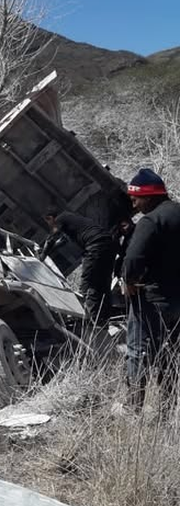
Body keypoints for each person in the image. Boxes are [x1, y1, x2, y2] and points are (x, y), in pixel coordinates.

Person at [122, 168, 180, 409]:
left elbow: (133, 258)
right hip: (177, 300)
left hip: (152, 300)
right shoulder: (177, 212)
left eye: (136, 198)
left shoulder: (151, 220)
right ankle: (167, 408)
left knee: (138, 351)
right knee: (171, 354)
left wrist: (128, 280)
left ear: (149, 196)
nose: (134, 204)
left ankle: (133, 408)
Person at [40, 208, 116, 323]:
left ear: (50, 218)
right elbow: (61, 242)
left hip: (95, 245)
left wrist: (42, 256)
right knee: (103, 282)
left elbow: (52, 237)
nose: (49, 225)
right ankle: (103, 318)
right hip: (108, 244)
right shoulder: (70, 220)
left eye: (48, 223)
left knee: (87, 281)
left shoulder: (61, 218)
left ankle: (83, 314)